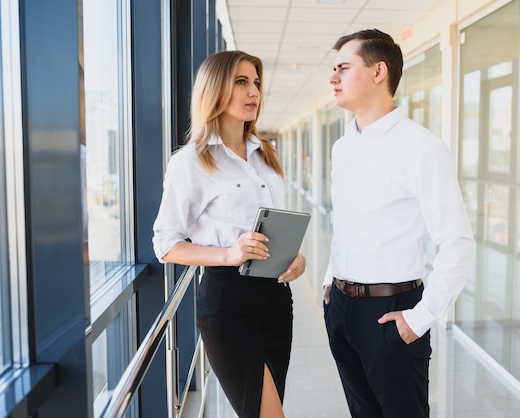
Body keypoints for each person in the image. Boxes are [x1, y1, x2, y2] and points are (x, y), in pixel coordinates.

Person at [322, 29, 475, 417]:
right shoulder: (343, 147)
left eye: (343, 67)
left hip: (392, 313)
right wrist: (329, 283)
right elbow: (348, 223)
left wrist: (419, 319)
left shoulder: (421, 147)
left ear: (379, 72)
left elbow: (457, 241)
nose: (333, 78)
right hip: (341, 309)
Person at [152, 50, 306, 418]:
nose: (253, 91)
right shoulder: (190, 161)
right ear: (215, 89)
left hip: (276, 301)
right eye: (241, 82)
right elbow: (166, 244)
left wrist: (294, 257)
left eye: (255, 82)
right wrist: (228, 254)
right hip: (228, 305)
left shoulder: (266, 154)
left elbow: (273, 225)